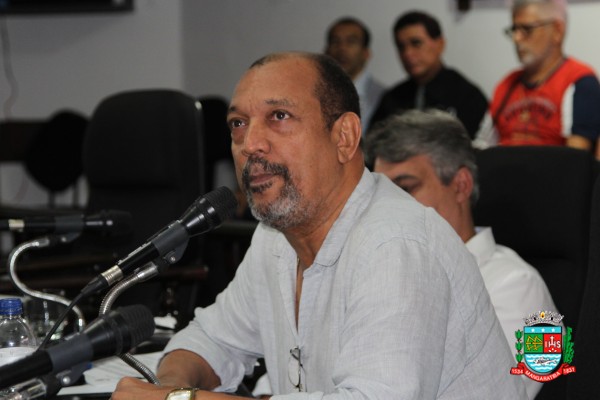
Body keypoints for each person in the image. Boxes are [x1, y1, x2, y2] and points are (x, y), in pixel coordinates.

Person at [112, 52, 526, 399]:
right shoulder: (275, 239)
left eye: (279, 116)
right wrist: (169, 386)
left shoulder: (395, 243)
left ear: (344, 137)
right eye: (238, 123)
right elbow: (212, 339)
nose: (250, 144)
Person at [365, 109, 557, 400]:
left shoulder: (518, 287)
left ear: (460, 185)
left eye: (405, 189)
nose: (387, 208)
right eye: (381, 194)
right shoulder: (378, 277)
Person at [474, 0, 600, 152]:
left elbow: (577, 160)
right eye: (514, 29)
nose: (517, 38)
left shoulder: (579, 81)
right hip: (503, 166)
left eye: (527, 29)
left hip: (553, 167)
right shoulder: (506, 84)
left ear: (557, 30)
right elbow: (481, 149)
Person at [369, 10, 488, 139]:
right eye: (401, 47)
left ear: (440, 44)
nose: (407, 53)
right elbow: (373, 143)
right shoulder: (393, 98)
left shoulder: (467, 96)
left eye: (416, 43)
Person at [324, 16, 385, 134]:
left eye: (351, 41)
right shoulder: (315, 94)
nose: (342, 48)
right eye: (335, 41)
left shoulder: (383, 98)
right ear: (326, 51)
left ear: (366, 53)